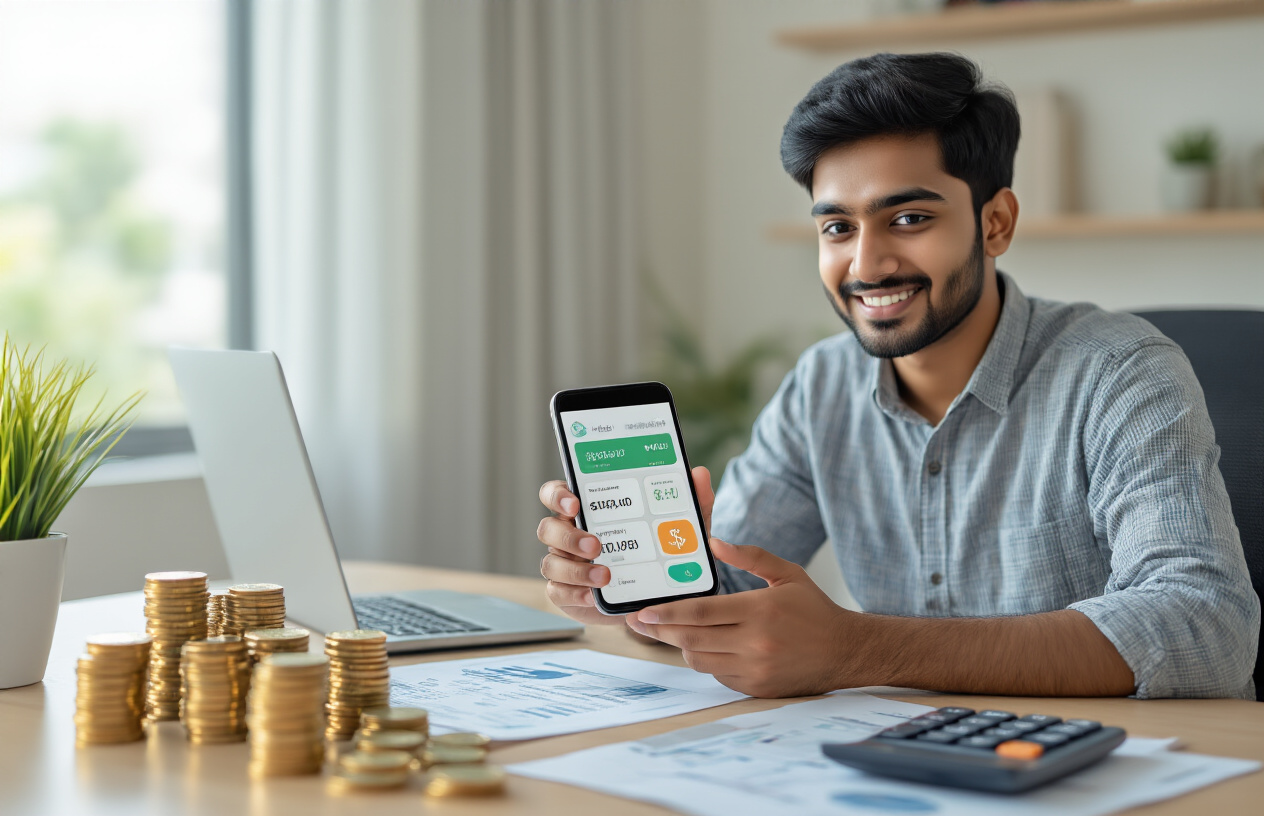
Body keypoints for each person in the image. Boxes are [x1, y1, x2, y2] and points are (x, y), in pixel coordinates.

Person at [535, 52, 1259, 700]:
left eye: (908, 217)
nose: (866, 265)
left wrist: (860, 648)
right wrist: (625, 588)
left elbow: (1206, 625)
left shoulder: (1119, 372)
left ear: (996, 222)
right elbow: (729, 597)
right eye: (837, 227)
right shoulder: (822, 384)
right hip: (903, 760)